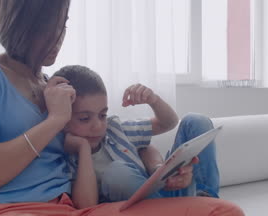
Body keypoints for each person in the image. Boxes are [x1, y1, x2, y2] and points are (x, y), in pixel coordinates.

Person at [0, 0, 244, 216]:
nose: (59, 37)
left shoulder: (55, 86)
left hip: (75, 208)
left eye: (63, 26)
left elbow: (121, 139)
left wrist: (159, 167)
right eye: (51, 27)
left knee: (222, 211)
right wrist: (54, 121)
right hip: (5, 208)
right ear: (22, 24)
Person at [54, 65, 220, 204]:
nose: (98, 126)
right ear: (63, 118)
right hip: (142, 207)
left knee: (196, 121)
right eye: (84, 118)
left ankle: (207, 201)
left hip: (165, 191)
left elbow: (168, 123)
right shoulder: (63, 157)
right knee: (117, 173)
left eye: (103, 115)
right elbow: (85, 205)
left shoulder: (115, 129)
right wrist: (83, 149)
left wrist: (153, 100)